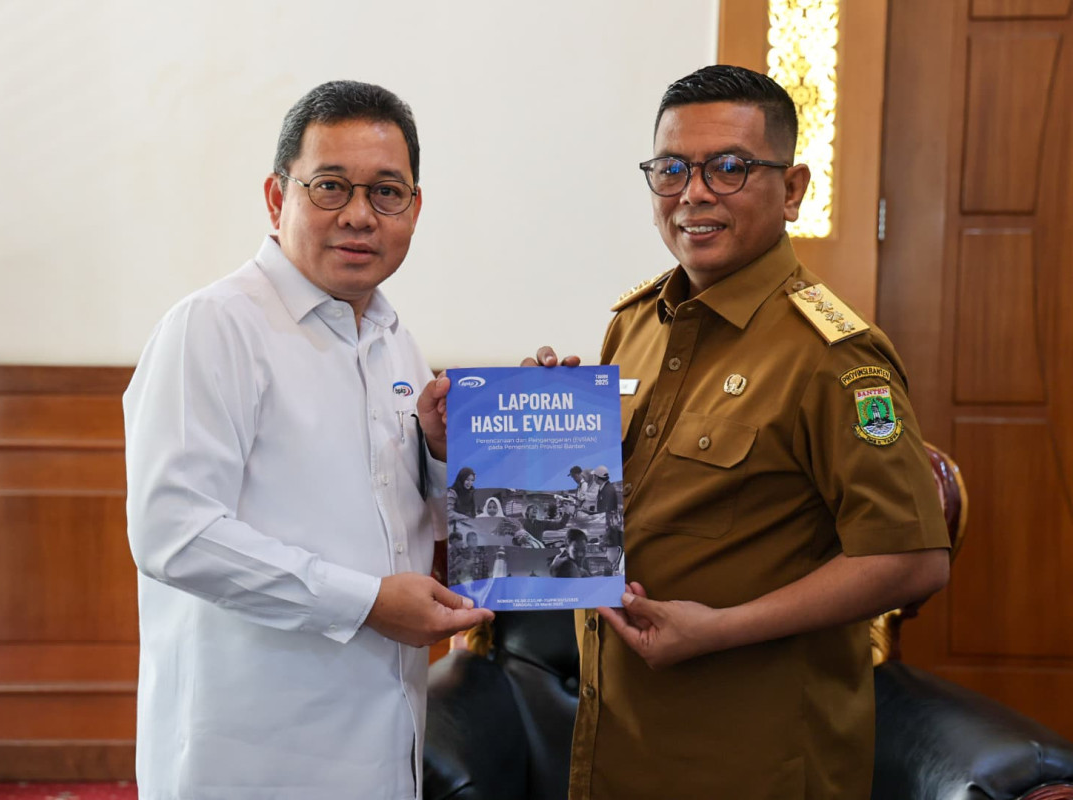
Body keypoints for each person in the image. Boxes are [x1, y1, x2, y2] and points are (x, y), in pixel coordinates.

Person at [524, 65, 951, 799]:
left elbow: (912, 559)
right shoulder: (633, 326)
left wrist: (720, 628)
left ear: (791, 189)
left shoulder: (834, 354)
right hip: (621, 745)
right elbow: (594, 517)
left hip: (755, 759)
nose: (694, 193)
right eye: (671, 169)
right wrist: (531, 435)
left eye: (728, 168)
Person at [123, 80, 492, 800]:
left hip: (384, 738)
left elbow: (409, 520)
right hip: (256, 747)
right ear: (275, 197)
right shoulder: (216, 327)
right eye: (330, 186)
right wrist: (363, 602)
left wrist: (448, 455)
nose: (359, 214)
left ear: (414, 209)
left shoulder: (394, 341)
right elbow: (171, 531)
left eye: (386, 192)